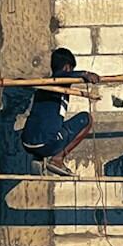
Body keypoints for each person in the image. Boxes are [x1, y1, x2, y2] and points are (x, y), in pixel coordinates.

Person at [20, 47, 98, 176]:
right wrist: (85, 74)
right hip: (46, 143)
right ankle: (57, 159)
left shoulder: (42, 86)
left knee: (48, 125)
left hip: (27, 143)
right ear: (67, 67)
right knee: (86, 119)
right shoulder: (60, 80)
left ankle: (38, 158)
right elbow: (62, 76)